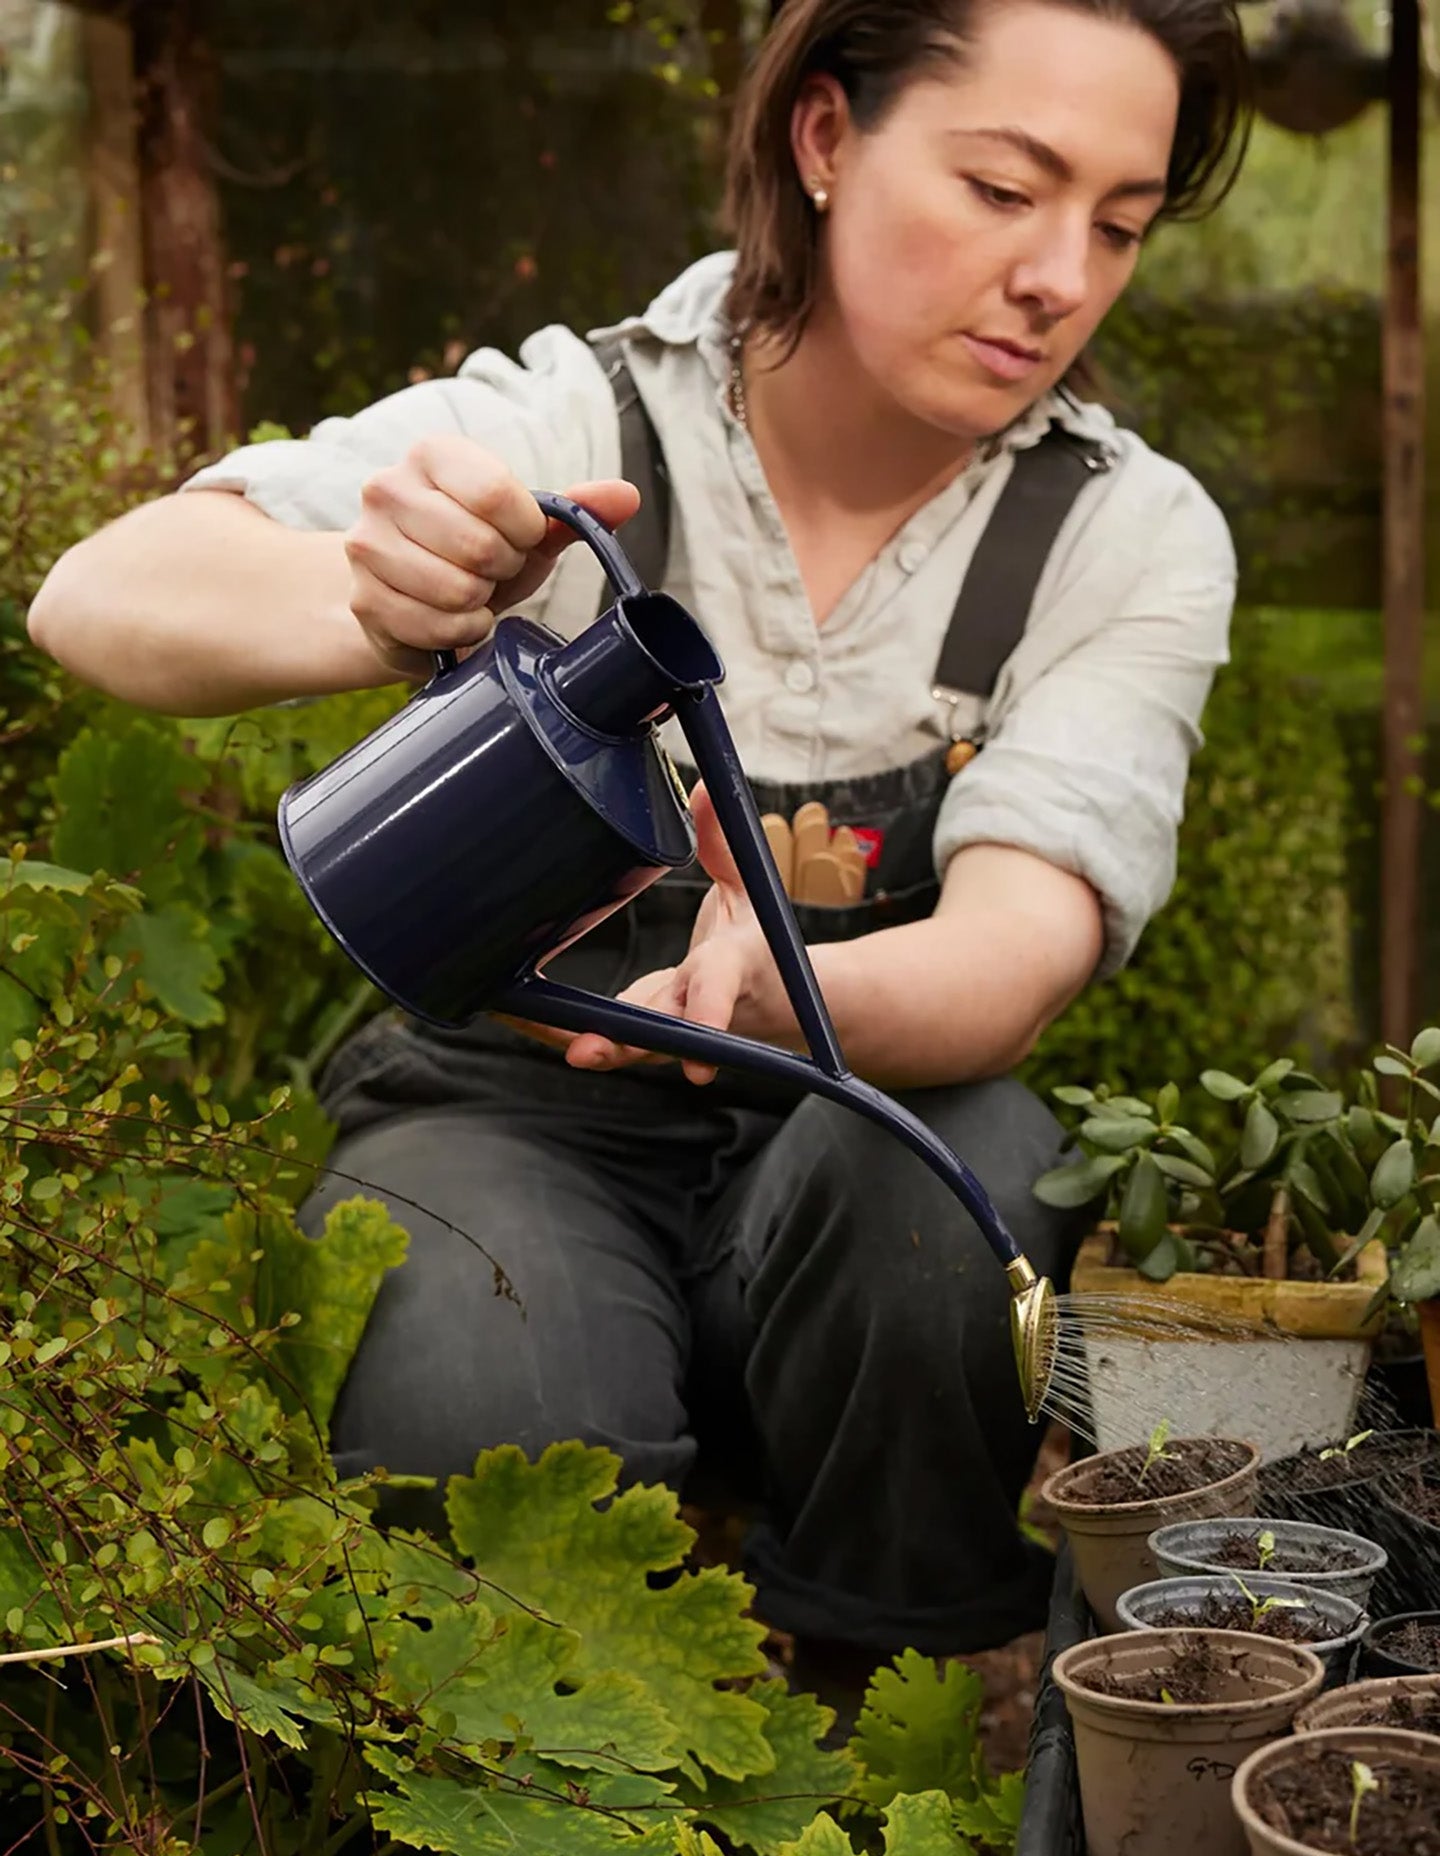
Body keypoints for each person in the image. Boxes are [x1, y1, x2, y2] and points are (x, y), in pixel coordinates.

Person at [29, 0, 1249, 1690]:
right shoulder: (585, 427)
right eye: (1000, 188)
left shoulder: (1121, 535)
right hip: (505, 1104)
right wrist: (371, 601)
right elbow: (97, 600)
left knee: (949, 1205)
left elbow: (1019, 944)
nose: (1060, 276)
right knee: (483, 1385)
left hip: (848, 1122)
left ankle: (883, 1735)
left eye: (1117, 226)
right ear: (824, 138)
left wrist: (784, 991)